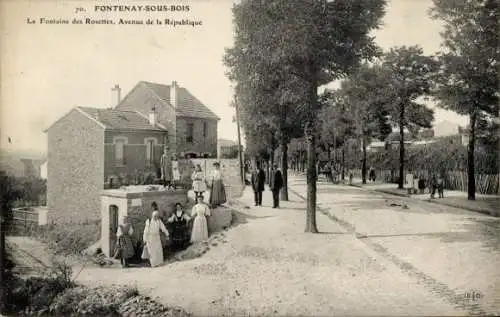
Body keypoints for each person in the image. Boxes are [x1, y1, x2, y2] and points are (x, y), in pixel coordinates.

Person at [142, 203, 169, 267]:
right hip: (150, 238)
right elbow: (145, 231)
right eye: (155, 216)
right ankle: (153, 264)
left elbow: (163, 228)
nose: (156, 217)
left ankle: (159, 263)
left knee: (158, 250)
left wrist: (167, 234)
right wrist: (144, 239)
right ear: (152, 215)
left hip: (157, 237)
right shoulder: (149, 221)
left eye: (157, 216)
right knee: (152, 251)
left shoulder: (159, 221)